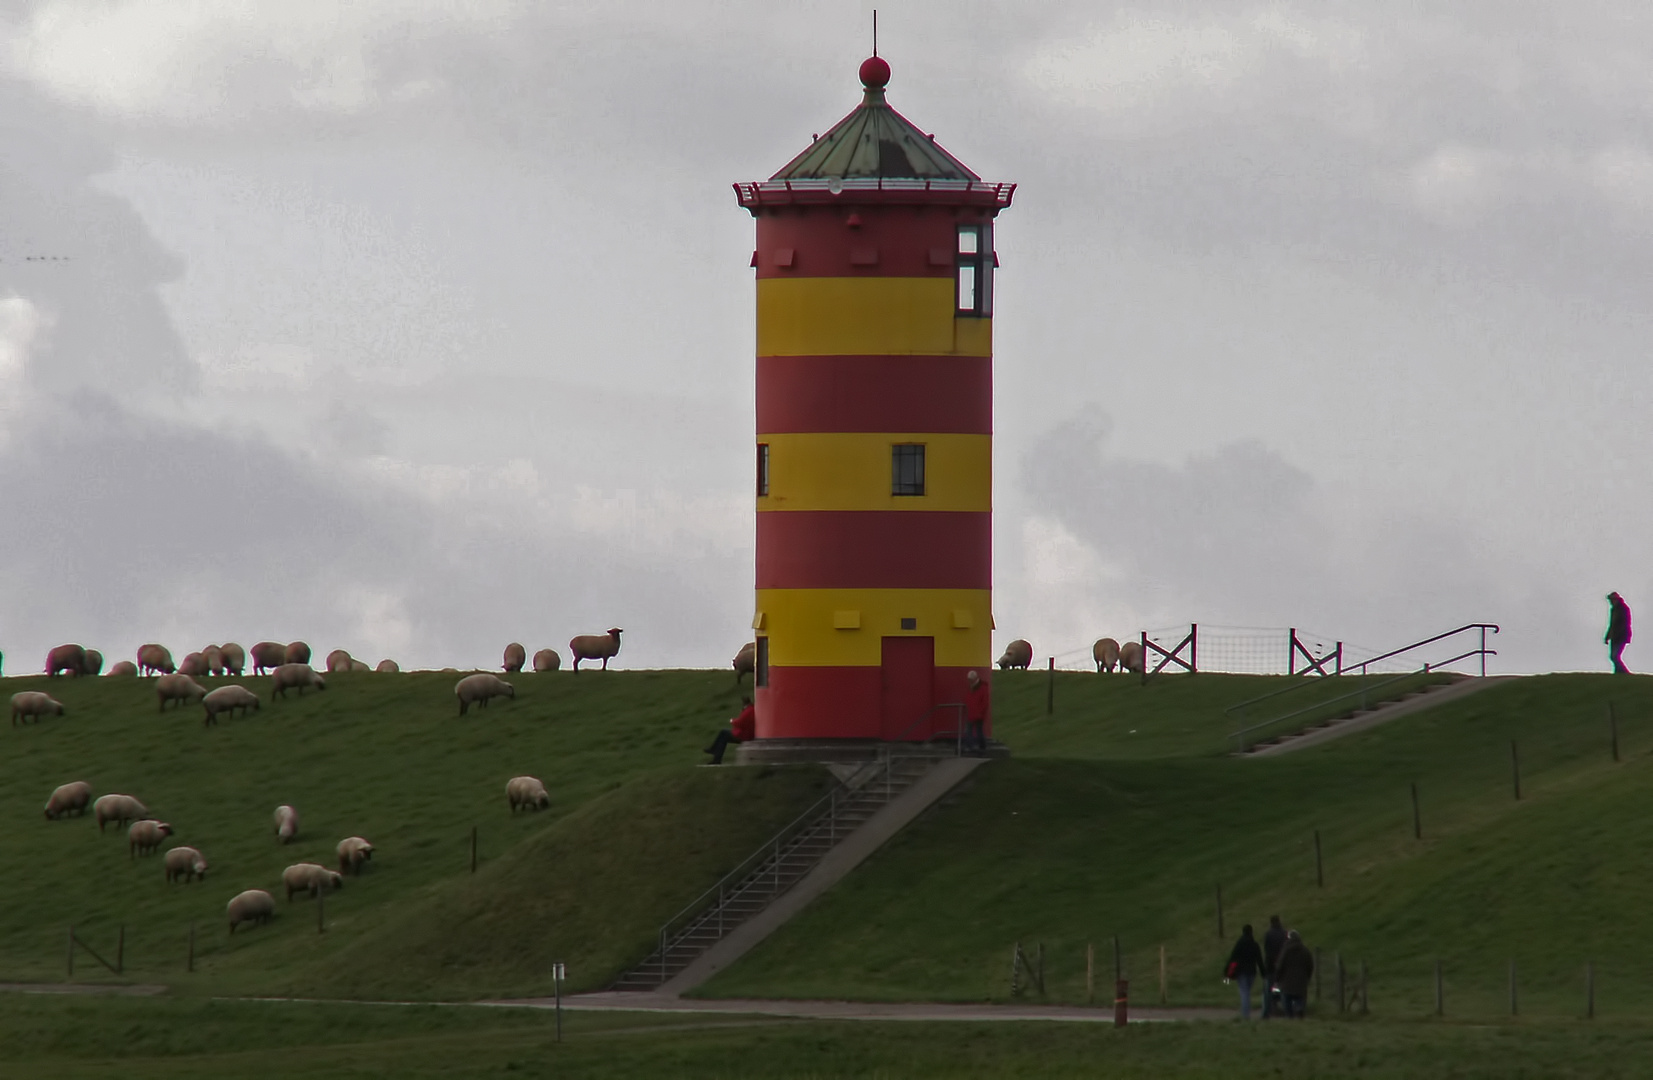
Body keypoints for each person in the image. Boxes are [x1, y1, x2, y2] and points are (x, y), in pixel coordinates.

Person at [1223, 924, 1266, 1020]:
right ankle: (1245, 1011)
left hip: (1241, 972)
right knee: (1247, 992)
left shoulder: (1240, 943)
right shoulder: (1254, 944)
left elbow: (1233, 957)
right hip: (1252, 973)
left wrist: (1227, 972)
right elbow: (1259, 960)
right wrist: (1263, 973)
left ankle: (1245, 1015)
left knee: (1244, 993)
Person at [1273, 929, 1314, 1019]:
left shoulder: (1285, 951)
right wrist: (1307, 977)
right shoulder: (1305, 951)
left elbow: (1280, 965)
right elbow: (1310, 965)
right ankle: (1299, 1009)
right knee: (1300, 998)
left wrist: (1277, 978)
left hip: (1286, 981)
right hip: (1301, 981)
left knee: (1286, 999)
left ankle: (1289, 1016)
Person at [704, 697, 755, 765]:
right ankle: (715, 755)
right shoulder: (751, 709)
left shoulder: (748, 711)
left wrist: (732, 720)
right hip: (747, 734)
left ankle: (715, 755)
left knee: (723, 734)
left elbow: (739, 722)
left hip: (743, 735)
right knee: (723, 735)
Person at [1261, 914, 1287, 1018]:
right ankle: (1287, 1012)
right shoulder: (1285, 934)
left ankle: (1266, 1013)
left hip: (1270, 966)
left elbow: (1267, 951)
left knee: (1268, 990)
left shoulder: (1268, 934)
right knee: (1282, 989)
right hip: (1283, 966)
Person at [964, 670, 990, 754]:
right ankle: (973, 746)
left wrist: (980, 712)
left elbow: (985, 702)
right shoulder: (973, 687)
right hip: (972, 713)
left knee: (977, 731)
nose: (969, 681)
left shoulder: (982, 688)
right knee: (972, 731)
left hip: (978, 714)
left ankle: (980, 746)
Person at [1607, 592, 1633, 675]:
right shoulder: (1613, 609)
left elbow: (1624, 623)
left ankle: (1624, 672)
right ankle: (1618, 672)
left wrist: (1624, 635)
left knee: (1614, 656)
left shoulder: (1623, 608)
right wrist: (1607, 636)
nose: (1611, 602)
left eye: (1612, 600)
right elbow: (1612, 624)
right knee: (1613, 656)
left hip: (1621, 636)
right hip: (1614, 636)